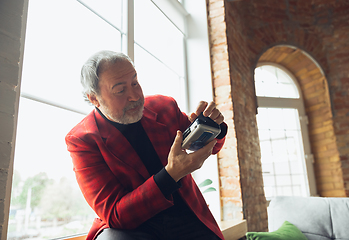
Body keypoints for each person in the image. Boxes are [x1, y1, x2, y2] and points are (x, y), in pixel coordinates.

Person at [65, 50, 228, 240]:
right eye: (120, 90)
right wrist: (170, 175)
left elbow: (210, 146)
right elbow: (115, 214)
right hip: (134, 227)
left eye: (135, 83)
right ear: (94, 98)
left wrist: (214, 126)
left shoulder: (164, 107)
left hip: (186, 213)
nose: (134, 95)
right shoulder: (82, 140)